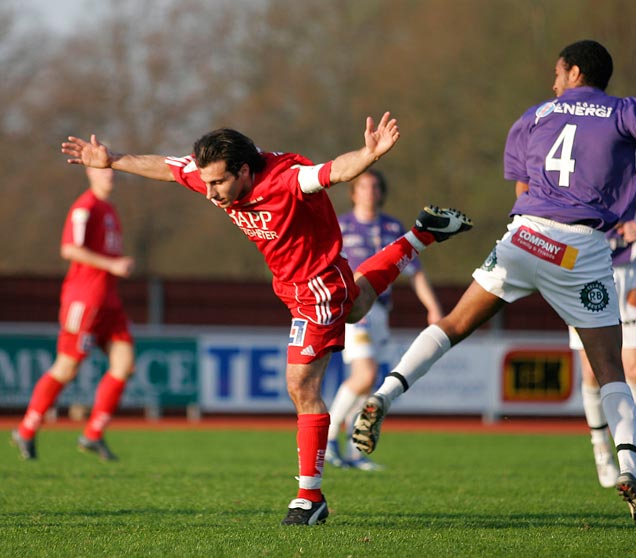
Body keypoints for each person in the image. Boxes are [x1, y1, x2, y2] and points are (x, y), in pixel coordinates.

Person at [59, 112, 472, 526]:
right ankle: (421, 234)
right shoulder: (212, 175)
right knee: (359, 304)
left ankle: (310, 498)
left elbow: (333, 172)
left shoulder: (286, 178)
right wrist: (112, 159)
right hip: (294, 287)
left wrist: (368, 154)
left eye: (218, 182)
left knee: (300, 385)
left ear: (242, 169)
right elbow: (167, 168)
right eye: (206, 182)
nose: (210, 192)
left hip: (318, 290)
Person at [353, 41, 636, 525]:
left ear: (575, 71)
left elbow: (522, 189)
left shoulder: (534, 116)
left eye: (557, 73)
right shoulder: (625, 111)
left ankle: (384, 395)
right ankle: (629, 470)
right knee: (610, 372)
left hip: (526, 236)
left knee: (454, 323)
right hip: (582, 249)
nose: (552, 82)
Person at [11, 167, 136, 462]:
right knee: (67, 367)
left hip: (109, 301)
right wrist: (113, 265)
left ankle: (93, 434)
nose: (109, 175)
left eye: (110, 168)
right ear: (89, 173)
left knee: (124, 363)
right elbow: (69, 249)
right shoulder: (85, 207)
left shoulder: (109, 208)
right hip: (85, 300)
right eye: (100, 170)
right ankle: (27, 429)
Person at [569, 162, 636, 488]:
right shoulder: (579, 171)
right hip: (587, 273)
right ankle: (600, 447)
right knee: (591, 370)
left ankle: (631, 452)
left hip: (628, 274)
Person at [326, 169, 444, 471]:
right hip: (355, 311)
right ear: (353, 192)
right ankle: (327, 439)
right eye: (363, 186)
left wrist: (432, 307)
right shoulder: (340, 225)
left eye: (375, 186)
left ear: (382, 192)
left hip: (381, 311)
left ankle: (354, 452)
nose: (370, 191)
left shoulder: (392, 226)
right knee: (364, 375)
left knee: (369, 384)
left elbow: (415, 271)